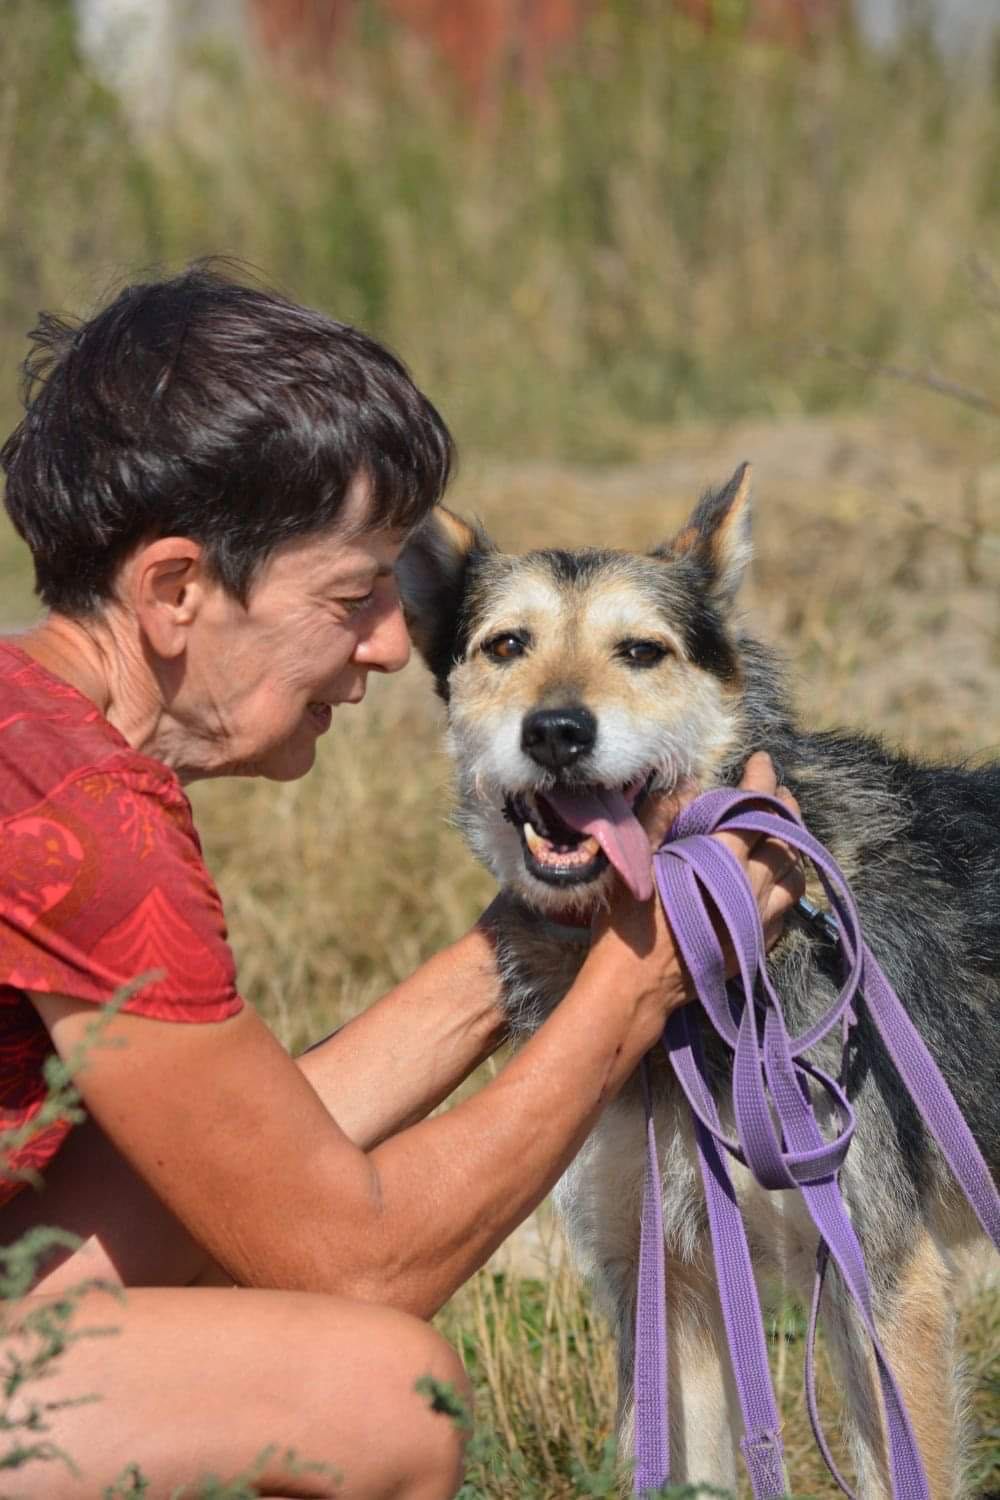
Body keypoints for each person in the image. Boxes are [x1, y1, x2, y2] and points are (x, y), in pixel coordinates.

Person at [0, 264, 803, 1500]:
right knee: (377, 1397)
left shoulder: (36, 737)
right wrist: (636, 987)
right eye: (351, 593)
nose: (390, 642)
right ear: (174, 591)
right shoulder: (87, 824)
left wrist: (537, 941)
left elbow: (256, 1178)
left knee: (173, 1198)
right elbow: (358, 1262)